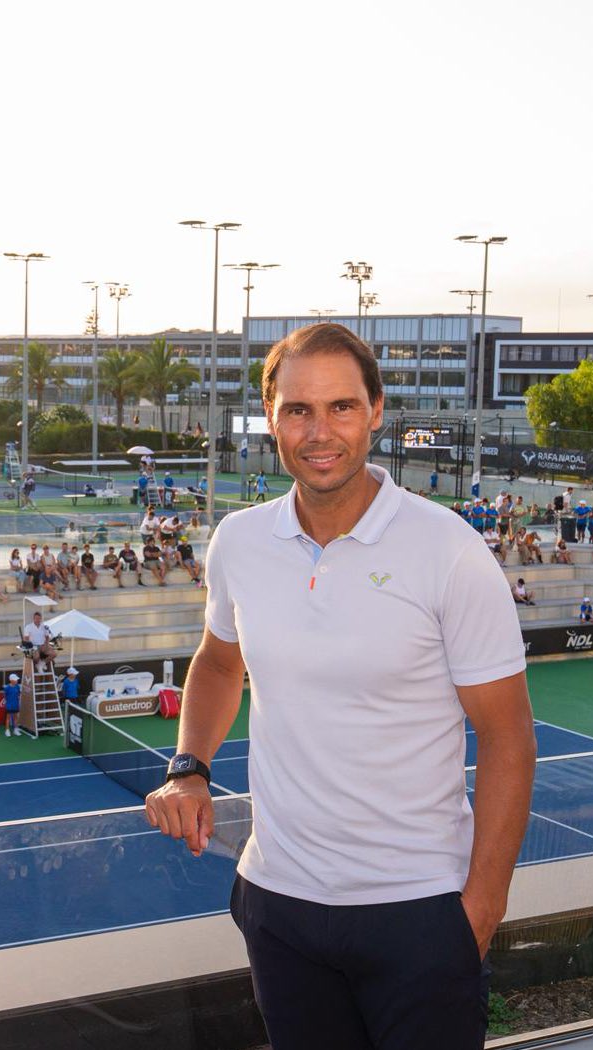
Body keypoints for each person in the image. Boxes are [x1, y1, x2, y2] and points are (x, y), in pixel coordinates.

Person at [145, 321, 534, 1049]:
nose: (318, 432)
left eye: (340, 407)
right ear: (271, 418)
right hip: (278, 906)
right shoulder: (238, 540)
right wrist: (189, 767)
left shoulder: (448, 550)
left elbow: (508, 735)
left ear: (376, 410)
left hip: (418, 911)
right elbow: (220, 661)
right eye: (298, 410)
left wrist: (478, 911)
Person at [3, 673, 22, 737]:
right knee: (8, 718)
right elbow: (5, 696)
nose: (16, 681)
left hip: (16, 705)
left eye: (16, 680)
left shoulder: (17, 686)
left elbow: (19, 694)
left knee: (15, 718)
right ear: (11, 680)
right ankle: (7, 730)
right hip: (9, 705)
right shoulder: (7, 688)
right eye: (15, 680)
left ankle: (15, 730)